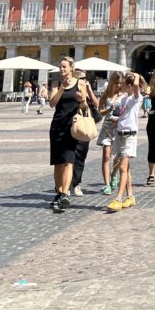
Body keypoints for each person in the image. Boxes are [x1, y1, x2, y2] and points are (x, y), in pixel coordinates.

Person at [48, 57, 85, 212]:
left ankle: (65, 193)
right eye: (60, 67)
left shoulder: (80, 83)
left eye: (64, 67)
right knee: (57, 163)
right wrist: (61, 89)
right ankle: (58, 192)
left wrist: (82, 99)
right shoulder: (56, 84)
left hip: (72, 127)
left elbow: (84, 104)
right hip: (57, 126)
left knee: (68, 161)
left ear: (71, 68)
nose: (62, 70)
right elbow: (51, 103)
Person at [106, 72, 143, 211]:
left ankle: (118, 199)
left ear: (129, 85)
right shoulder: (123, 100)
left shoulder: (135, 98)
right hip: (120, 135)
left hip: (129, 136)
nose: (119, 85)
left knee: (122, 167)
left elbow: (136, 84)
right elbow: (121, 117)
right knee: (125, 168)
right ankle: (130, 196)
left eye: (122, 83)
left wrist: (134, 75)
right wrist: (111, 128)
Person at [70, 70, 100, 196]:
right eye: (83, 78)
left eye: (86, 78)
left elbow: (98, 106)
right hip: (72, 128)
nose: (85, 80)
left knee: (80, 158)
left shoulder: (87, 93)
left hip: (84, 130)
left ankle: (76, 183)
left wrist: (89, 91)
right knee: (69, 158)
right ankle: (66, 184)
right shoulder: (71, 93)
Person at [96, 71, 124, 195]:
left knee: (119, 156)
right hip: (107, 126)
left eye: (120, 83)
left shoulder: (124, 95)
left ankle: (114, 175)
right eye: (117, 83)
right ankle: (107, 184)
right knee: (106, 156)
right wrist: (108, 109)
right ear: (112, 82)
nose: (119, 85)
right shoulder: (106, 95)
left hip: (119, 127)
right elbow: (99, 112)